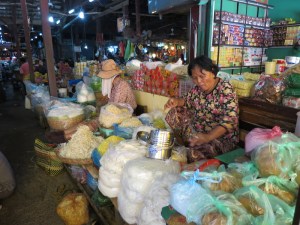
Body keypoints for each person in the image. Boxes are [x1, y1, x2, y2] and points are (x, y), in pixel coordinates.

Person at [164, 55, 239, 162]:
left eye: (202, 76)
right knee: (175, 111)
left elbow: (229, 121)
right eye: (195, 78)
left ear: (212, 72)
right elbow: (186, 100)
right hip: (200, 134)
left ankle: (191, 152)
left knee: (194, 154)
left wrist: (208, 137)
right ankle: (183, 144)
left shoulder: (225, 90)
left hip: (221, 139)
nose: (199, 81)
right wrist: (175, 101)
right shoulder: (197, 89)